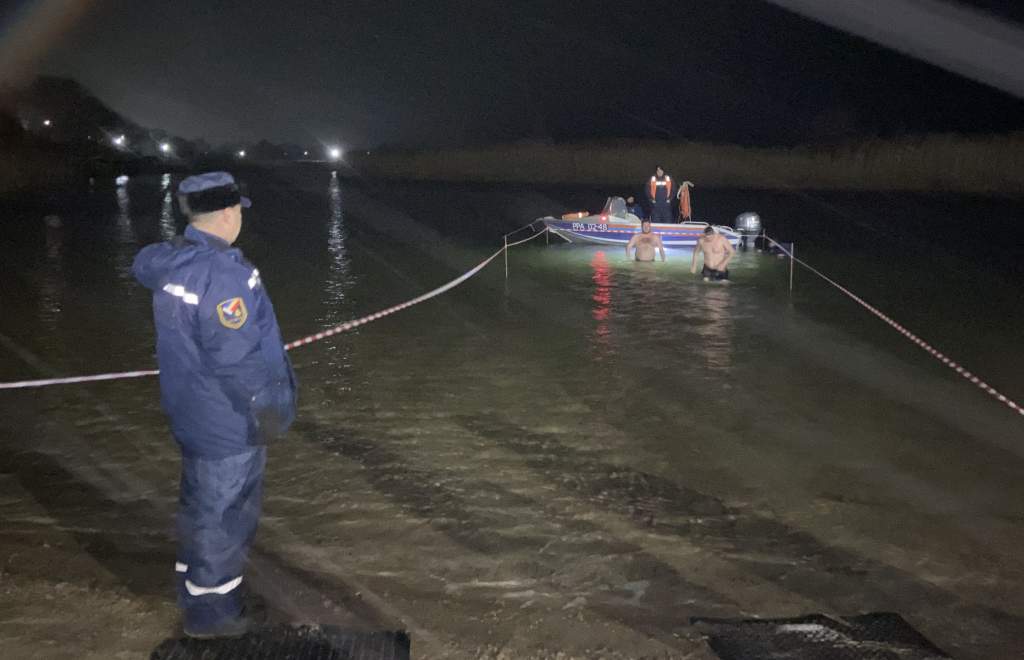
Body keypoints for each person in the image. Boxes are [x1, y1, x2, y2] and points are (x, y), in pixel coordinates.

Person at [132, 172, 297, 638]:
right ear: (227, 213)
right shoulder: (222, 274)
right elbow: (236, 358)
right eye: (238, 210)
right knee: (226, 515)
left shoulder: (173, 262)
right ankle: (212, 614)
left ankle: (196, 592)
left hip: (193, 412)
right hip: (227, 420)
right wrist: (268, 408)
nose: (240, 218)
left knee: (201, 508)